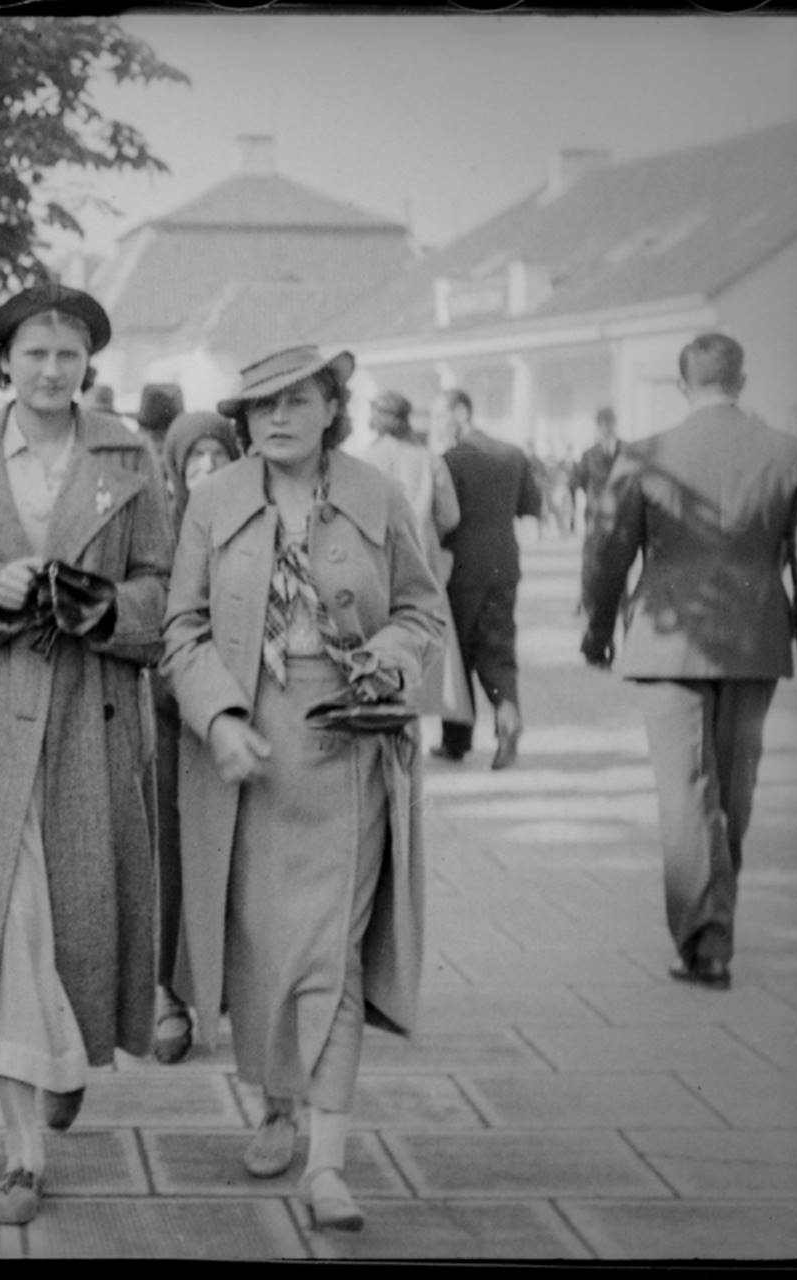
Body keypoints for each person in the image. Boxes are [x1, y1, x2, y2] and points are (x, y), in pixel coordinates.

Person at [0, 283, 175, 1227]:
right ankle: (21, 1150)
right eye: (34, 354)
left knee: (77, 917)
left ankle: (69, 1055)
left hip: (91, 717)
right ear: (3, 365)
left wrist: (113, 609)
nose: (52, 371)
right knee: (5, 916)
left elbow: (165, 588)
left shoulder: (127, 455)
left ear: (87, 365)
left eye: (68, 355)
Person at [163, 345, 443, 1233]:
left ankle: (327, 1162)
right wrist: (216, 719)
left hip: (347, 750)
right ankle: (275, 1105)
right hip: (246, 754)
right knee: (261, 951)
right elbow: (182, 629)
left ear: (333, 407)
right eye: (259, 405)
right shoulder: (214, 503)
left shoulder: (378, 497)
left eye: (297, 400)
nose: (276, 417)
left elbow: (420, 611)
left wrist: (390, 665)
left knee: (332, 958)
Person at [581, 333, 797, 991]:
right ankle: (718, 926)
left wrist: (599, 630)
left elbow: (609, 554)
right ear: (741, 381)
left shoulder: (646, 455)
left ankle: (703, 943)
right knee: (735, 787)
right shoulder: (793, 455)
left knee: (687, 793)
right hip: (755, 642)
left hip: (670, 641)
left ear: (684, 386)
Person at [148, 408, 240, 1064]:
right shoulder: (163, 528)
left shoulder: (250, 524)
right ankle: (167, 995)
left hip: (238, 712)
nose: (206, 471)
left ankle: (221, 986)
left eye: (217, 457)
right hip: (168, 711)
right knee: (170, 858)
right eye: (194, 462)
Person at [432, 388, 542, 769]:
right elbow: (530, 507)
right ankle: (508, 712)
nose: (438, 424)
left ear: (460, 412)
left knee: (459, 652)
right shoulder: (513, 454)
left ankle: (456, 741)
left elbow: (445, 518)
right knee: (499, 648)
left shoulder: (451, 460)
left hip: (463, 570)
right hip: (505, 565)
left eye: (440, 415)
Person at [360, 391, 463, 720]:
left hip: (376, 565)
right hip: (422, 564)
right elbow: (450, 516)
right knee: (422, 643)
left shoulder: (363, 459)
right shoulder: (429, 458)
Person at [568, 406, 623, 532]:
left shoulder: (626, 451)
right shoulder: (589, 455)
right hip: (596, 514)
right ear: (598, 426)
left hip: (622, 515)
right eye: (604, 423)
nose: (608, 428)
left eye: (610, 422)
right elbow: (580, 481)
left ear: (615, 424)